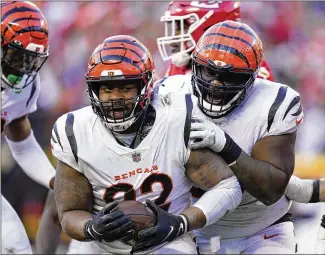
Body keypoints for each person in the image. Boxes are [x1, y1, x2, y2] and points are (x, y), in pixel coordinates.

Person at [52, 35, 243, 254]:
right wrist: (92, 228)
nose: (115, 98)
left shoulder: (176, 117)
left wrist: (180, 223)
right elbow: (69, 213)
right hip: (101, 247)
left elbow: (229, 186)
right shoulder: (75, 131)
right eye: (106, 89)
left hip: (167, 241)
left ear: (146, 86)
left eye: (125, 88)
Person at [146, 20, 304, 254]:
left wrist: (225, 145)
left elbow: (270, 190)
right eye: (210, 71)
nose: (216, 84)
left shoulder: (274, 102)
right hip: (191, 231)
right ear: (196, 66)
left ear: (253, 78)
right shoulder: (168, 93)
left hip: (261, 232)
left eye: (230, 77)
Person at [1, 1, 55, 254]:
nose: (21, 68)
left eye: (29, 59)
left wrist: (54, 179)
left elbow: (22, 144)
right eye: (15, 55)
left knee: (16, 247)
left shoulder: (24, 87)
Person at [157, 1, 274, 81]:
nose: (176, 35)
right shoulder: (182, 62)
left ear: (207, 27)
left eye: (181, 26)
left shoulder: (246, 66)